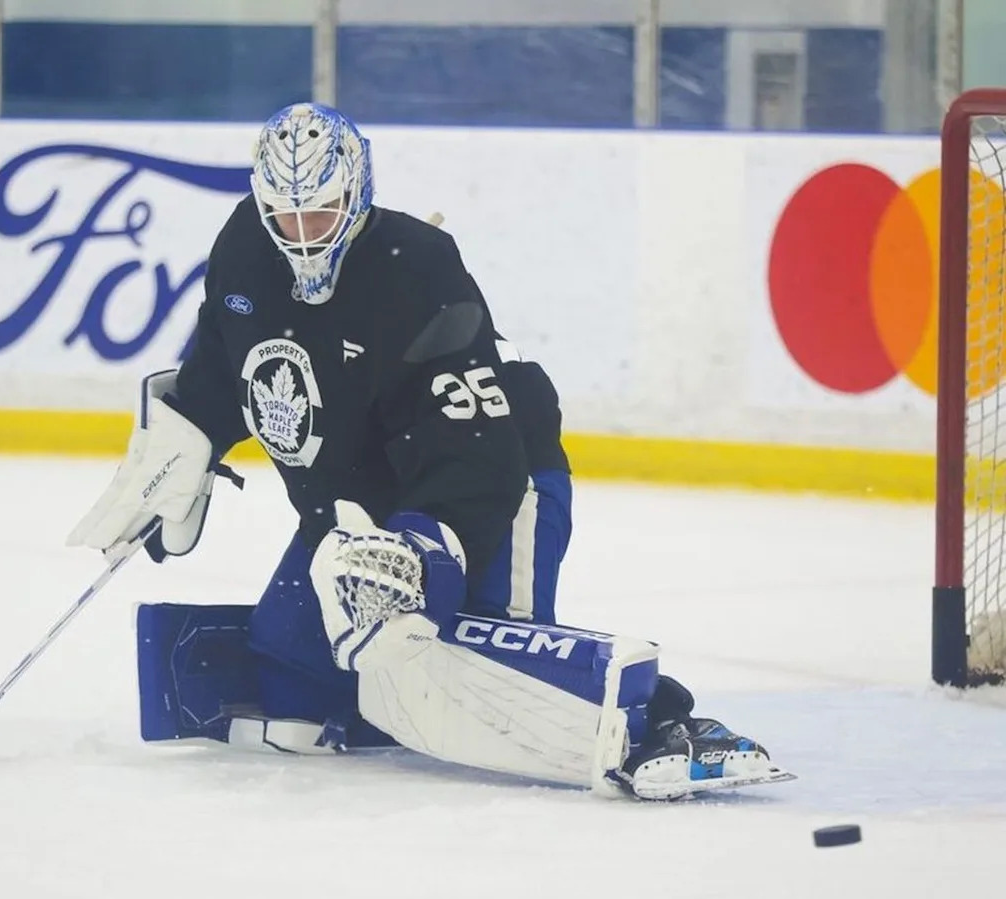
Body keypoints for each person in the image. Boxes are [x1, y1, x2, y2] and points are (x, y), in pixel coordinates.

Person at [67, 103, 792, 800]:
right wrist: (187, 430)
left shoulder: (419, 267)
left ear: (356, 196)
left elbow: (478, 448)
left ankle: (668, 723)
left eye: (318, 214)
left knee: (474, 674)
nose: (300, 236)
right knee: (289, 661)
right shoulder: (244, 250)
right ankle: (386, 700)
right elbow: (234, 363)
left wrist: (420, 551)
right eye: (282, 216)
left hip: (495, 482)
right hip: (357, 498)